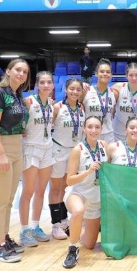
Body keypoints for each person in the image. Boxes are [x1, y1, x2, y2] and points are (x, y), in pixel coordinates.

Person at [0, 58, 30, 263]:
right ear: (8, 71)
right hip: (0, 150)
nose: (21, 74)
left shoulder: (17, 95)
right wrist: (1, 154)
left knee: (8, 200)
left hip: (16, 148)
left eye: (25, 72)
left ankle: (5, 237)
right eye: (18, 70)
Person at [62, 116, 109, 269]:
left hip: (95, 198)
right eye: (90, 127)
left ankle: (75, 227)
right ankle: (72, 249)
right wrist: (88, 171)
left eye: (97, 127)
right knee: (78, 210)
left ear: (101, 129)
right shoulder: (78, 150)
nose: (93, 130)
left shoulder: (104, 145)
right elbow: (69, 180)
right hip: (78, 193)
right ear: (84, 129)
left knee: (89, 244)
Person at [18, 71, 55, 247]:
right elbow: (14, 120)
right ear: (37, 85)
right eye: (43, 82)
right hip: (31, 149)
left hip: (47, 150)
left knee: (41, 191)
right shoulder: (29, 102)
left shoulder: (52, 104)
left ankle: (35, 226)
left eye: (49, 82)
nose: (46, 85)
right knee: (28, 191)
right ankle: (24, 230)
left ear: (53, 85)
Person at [49, 78, 85, 240]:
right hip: (58, 151)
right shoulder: (57, 107)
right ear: (65, 89)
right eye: (72, 88)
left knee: (65, 188)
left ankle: (64, 222)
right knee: (56, 188)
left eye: (78, 89)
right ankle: (56, 224)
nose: (74, 92)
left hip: (73, 152)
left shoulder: (81, 108)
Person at [112, 63, 137, 142]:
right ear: (126, 76)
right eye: (131, 75)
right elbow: (111, 110)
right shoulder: (118, 88)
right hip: (119, 134)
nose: (134, 78)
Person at [83, 61, 117, 143]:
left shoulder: (114, 93)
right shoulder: (86, 91)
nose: (105, 74)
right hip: (91, 133)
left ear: (111, 74)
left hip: (108, 134)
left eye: (108, 72)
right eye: (102, 71)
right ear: (96, 73)